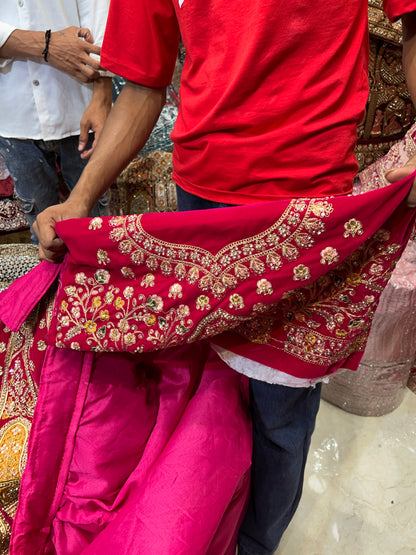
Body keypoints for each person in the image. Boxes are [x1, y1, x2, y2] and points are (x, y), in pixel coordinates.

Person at [32, 2, 416, 555]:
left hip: (308, 203)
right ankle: (201, 532)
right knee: (194, 394)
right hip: (200, 206)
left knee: (280, 412)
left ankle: (258, 544)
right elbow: (143, 84)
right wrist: (80, 198)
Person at [0, 0, 112, 244]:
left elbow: (98, 9)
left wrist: (102, 93)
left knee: (97, 230)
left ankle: (100, 281)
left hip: (80, 101)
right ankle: (53, 282)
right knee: (43, 238)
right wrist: (47, 44)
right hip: (13, 112)